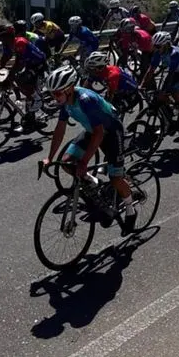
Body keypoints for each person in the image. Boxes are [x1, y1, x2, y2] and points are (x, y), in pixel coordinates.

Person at [41, 65, 137, 235]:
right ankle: (94, 184)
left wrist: (84, 162)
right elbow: (60, 129)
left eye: (57, 93)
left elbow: (99, 134)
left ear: (69, 89)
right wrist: (49, 157)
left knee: (115, 178)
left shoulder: (86, 100)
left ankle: (130, 209)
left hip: (111, 133)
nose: (54, 98)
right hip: (92, 131)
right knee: (66, 163)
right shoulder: (65, 101)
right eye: (52, 94)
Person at [0, 23, 48, 127]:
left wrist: (8, 79)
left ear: (8, 36)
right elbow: (5, 58)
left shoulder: (20, 42)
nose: (0, 40)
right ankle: (31, 116)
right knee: (19, 81)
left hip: (39, 63)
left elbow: (18, 64)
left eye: (2, 38)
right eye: (0, 38)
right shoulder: (7, 44)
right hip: (29, 63)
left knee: (22, 79)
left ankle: (37, 99)